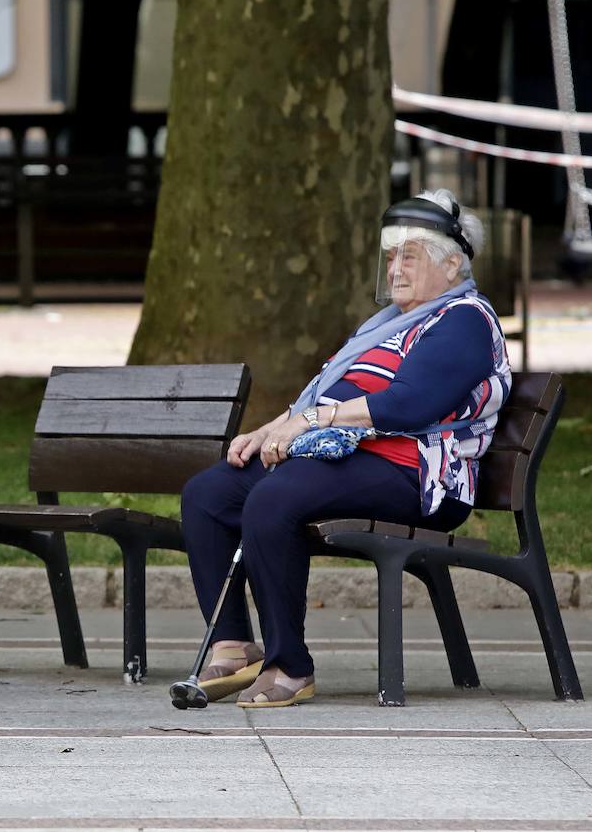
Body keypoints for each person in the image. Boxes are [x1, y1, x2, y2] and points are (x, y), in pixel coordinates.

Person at [180, 189, 510, 707]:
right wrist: (271, 430)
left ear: (452, 266)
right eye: (391, 257)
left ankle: (290, 666)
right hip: (353, 457)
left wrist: (308, 421)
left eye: (410, 256)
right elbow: (326, 395)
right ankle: (234, 644)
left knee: (275, 497)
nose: (395, 269)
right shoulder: (382, 327)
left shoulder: (464, 318)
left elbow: (407, 405)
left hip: (420, 476)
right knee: (210, 493)